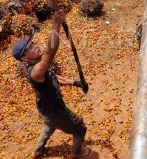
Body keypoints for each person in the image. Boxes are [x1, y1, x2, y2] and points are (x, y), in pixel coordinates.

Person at [11, 10, 90, 158]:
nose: (35, 46)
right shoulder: (35, 71)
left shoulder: (41, 67)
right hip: (56, 111)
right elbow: (50, 52)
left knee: (49, 125)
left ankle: (38, 151)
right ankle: (76, 153)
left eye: (33, 43)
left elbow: (54, 77)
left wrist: (76, 83)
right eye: (29, 49)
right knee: (79, 128)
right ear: (24, 59)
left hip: (44, 110)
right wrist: (56, 23)